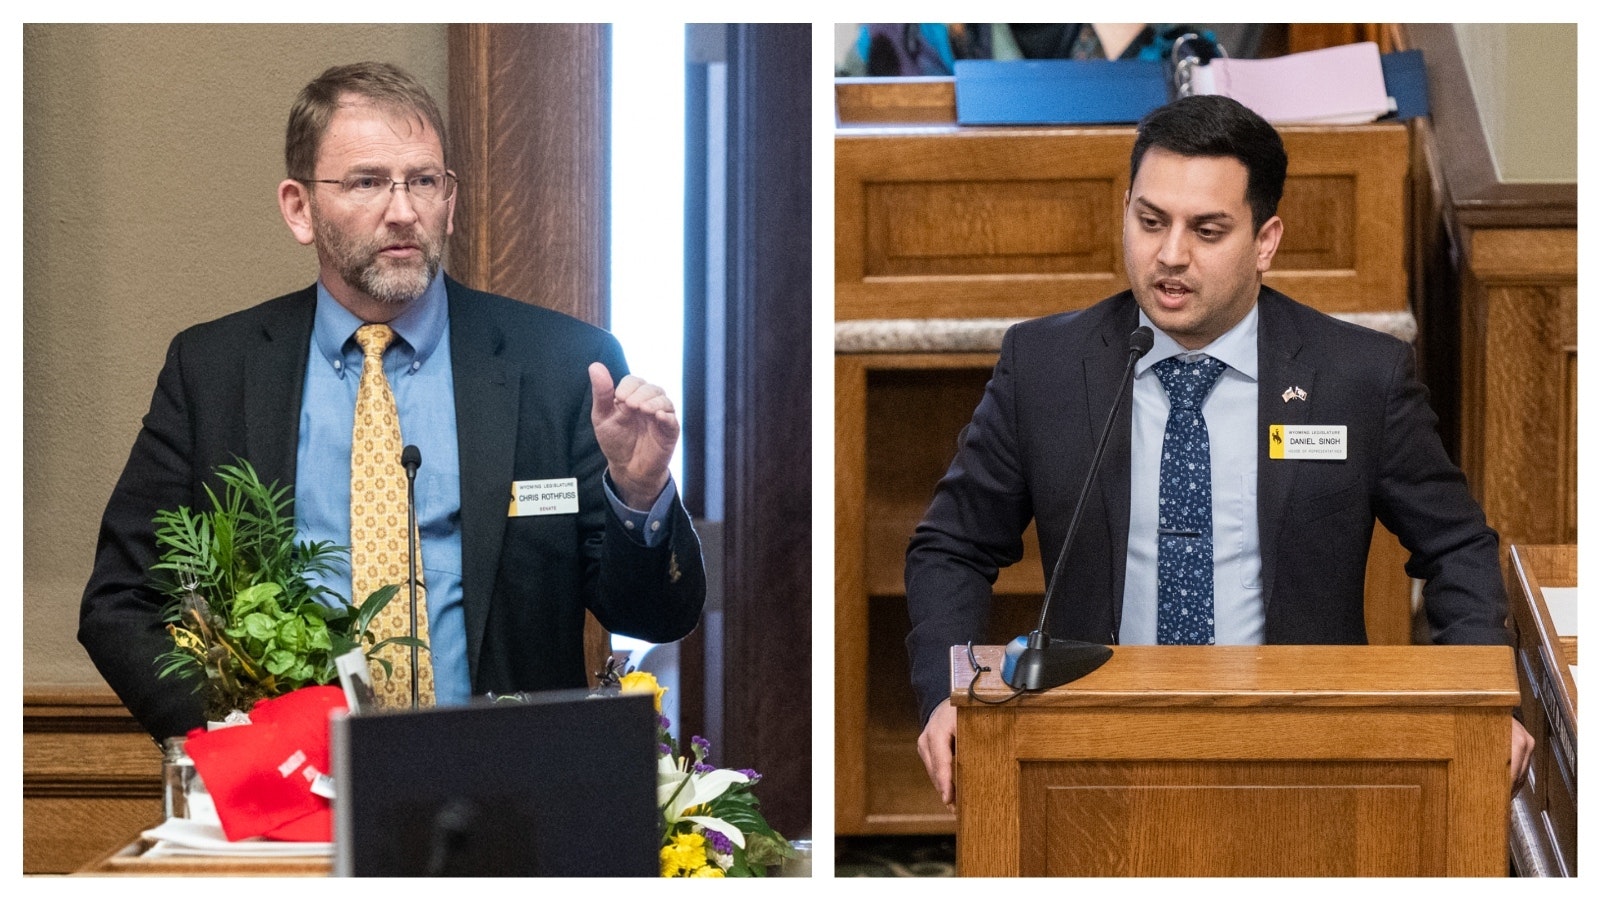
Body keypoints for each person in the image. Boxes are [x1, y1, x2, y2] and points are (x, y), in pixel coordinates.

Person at [904, 94, 1533, 809]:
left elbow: (1456, 547)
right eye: (1150, 222)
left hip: (1301, 758)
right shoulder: (1046, 366)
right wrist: (943, 693)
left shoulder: (1359, 378)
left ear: (1265, 241)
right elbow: (952, 545)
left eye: (1207, 230)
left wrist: (1485, 701)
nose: (1170, 255)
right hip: (1088, 754)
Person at [78, 62, 705, 742]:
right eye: (368, 182)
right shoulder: (216, 371)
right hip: (293, 798)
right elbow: (121, 602)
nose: (403, 210)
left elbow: (655, 615)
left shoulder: (564, 367)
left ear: (450, 201)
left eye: (423, 182)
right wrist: (237, 742)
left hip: (508, 793)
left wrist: (639, 495)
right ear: (299, 208)